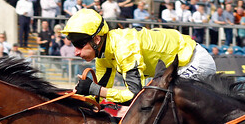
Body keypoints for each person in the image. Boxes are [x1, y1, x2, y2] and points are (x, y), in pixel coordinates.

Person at [61, 8, 217, 104]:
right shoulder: (103, 55)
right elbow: (98, 96)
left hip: (193, 61)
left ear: (96, 39)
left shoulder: (124, 47)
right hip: (175, 68)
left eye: (80, 44)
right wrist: (76, 97)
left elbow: (135, 96)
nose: (76, 52)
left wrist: (94, 89)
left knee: (160, 105)